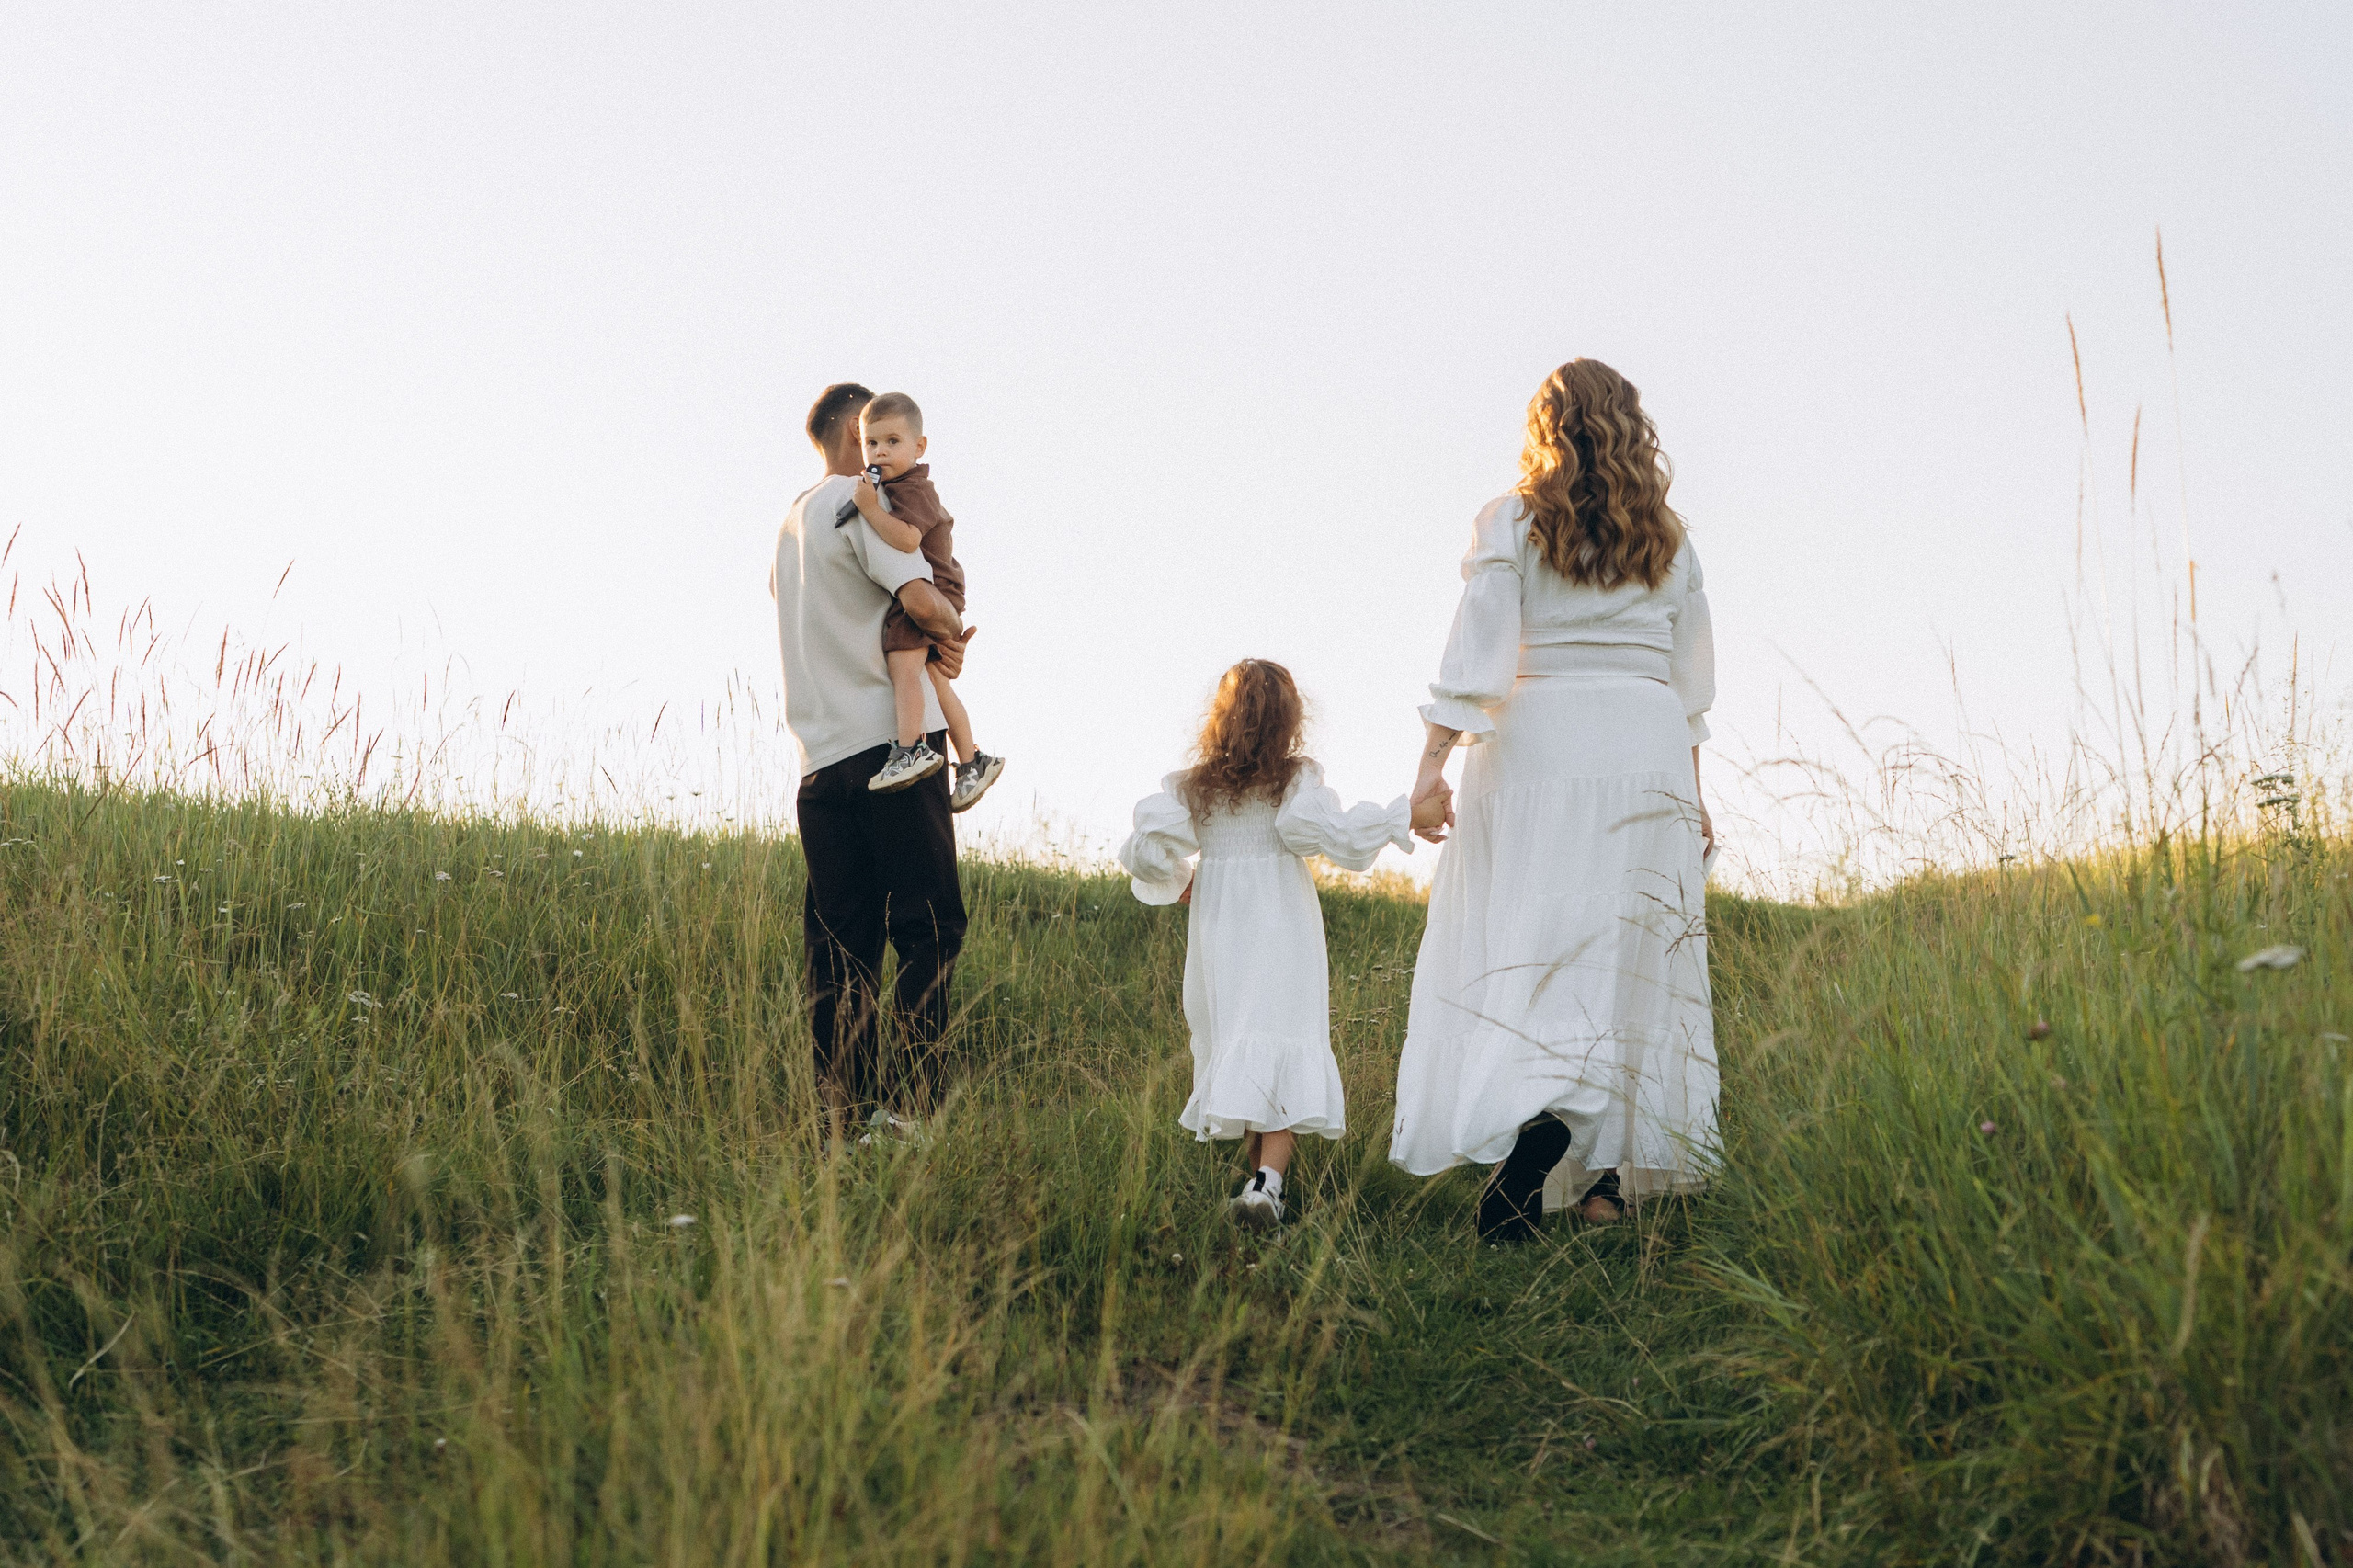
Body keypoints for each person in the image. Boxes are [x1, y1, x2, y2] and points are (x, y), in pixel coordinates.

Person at [1388, 358, 1720, 1244]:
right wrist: (1694, 797)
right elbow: (1688, 685)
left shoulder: (1513, 519)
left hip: (1538, 742)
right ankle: (1604, 1180)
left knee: (1530, 945)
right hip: (1644, 742)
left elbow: (1479, 655)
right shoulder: (1672, 538)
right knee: (1628, 958)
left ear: (1547, 425)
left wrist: (1431, 765)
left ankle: (1537, 1137)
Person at [1120, 659, 1416, 1229]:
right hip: (1282, 924)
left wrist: (1185, 880)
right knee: (1279, 1039)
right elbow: (1327, 832)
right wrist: (1399, 817)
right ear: (1290, 721)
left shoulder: (1196, 788)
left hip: (1223, 930)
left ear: (1221, 719)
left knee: (1245, 1040)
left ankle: (1261, 1189)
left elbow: (1143, 847)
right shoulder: (1294, 779)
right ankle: (1269, 1184)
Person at [771, 381, 973, 1142]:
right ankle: (912, 1113)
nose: (886, 455)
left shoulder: (790, 524)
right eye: (876, 438)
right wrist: (953, 630)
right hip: (889, 747)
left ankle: (841, 1119)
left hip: (817, 768)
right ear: (856, 439)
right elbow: (919, 599)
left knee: (839, 947)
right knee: (928, 929)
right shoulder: (862, 507)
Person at [846, 392, 1006, 809]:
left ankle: (909, 748)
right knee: (934, 680)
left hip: (931, 590)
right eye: (871, 443)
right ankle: (972, 760)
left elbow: (906, 539)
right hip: (941, 589)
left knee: (903, 665)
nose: (880, 451)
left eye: (893, 442)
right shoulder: (897, 484)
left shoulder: (913, 488)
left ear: (919, 447)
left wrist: (868, 508)